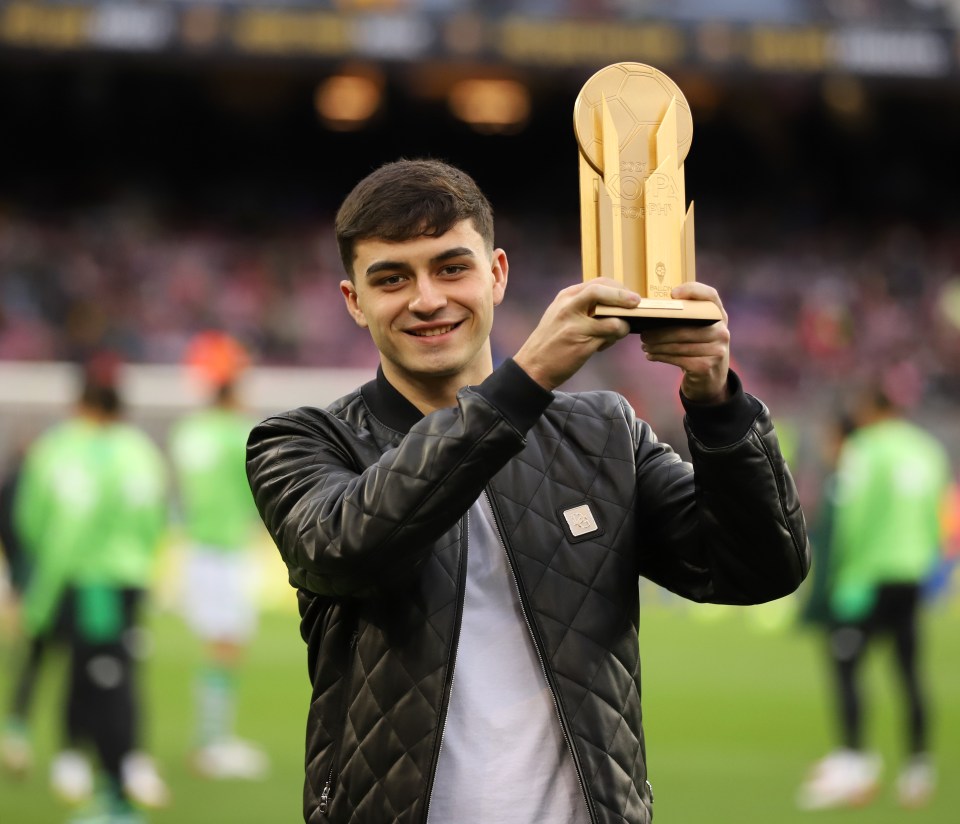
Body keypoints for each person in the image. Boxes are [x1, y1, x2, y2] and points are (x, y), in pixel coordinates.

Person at [245, 158, 810, 823]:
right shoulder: (301, 442)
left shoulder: (603, 433)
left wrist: (716, 401)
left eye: (451, 267)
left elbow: (759, 569)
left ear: (498, 274)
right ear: (354, 302)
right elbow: (347, 551)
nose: (427, 299)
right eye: (392, 278)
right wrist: (527, 377)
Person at [13, 354, 171, 822]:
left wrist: (38, 581)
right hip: (129, 581)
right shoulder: (140, 450)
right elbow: (154, 519)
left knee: (99, 680)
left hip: (88, 583)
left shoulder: (61, 448)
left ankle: (114, 795)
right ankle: (107, 776)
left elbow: (32, 520)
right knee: (112, 676)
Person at [797, 381, 951, 811]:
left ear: (870, 407)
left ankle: (854, 761)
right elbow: (934, 516)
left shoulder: (864, 449)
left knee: (845, 664)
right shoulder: (928, 450)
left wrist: (840, 575)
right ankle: (918, 767)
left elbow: (852, 516)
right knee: (909, 669)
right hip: (912, 573)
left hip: (866, 575)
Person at [168, 339, 268, 781]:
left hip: (196, 546)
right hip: (226, 549)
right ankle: (212, 743)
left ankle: (211, 739)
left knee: (219, 645)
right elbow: (258, 493)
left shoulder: (188, 432)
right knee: (226, 647)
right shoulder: (238, 433)